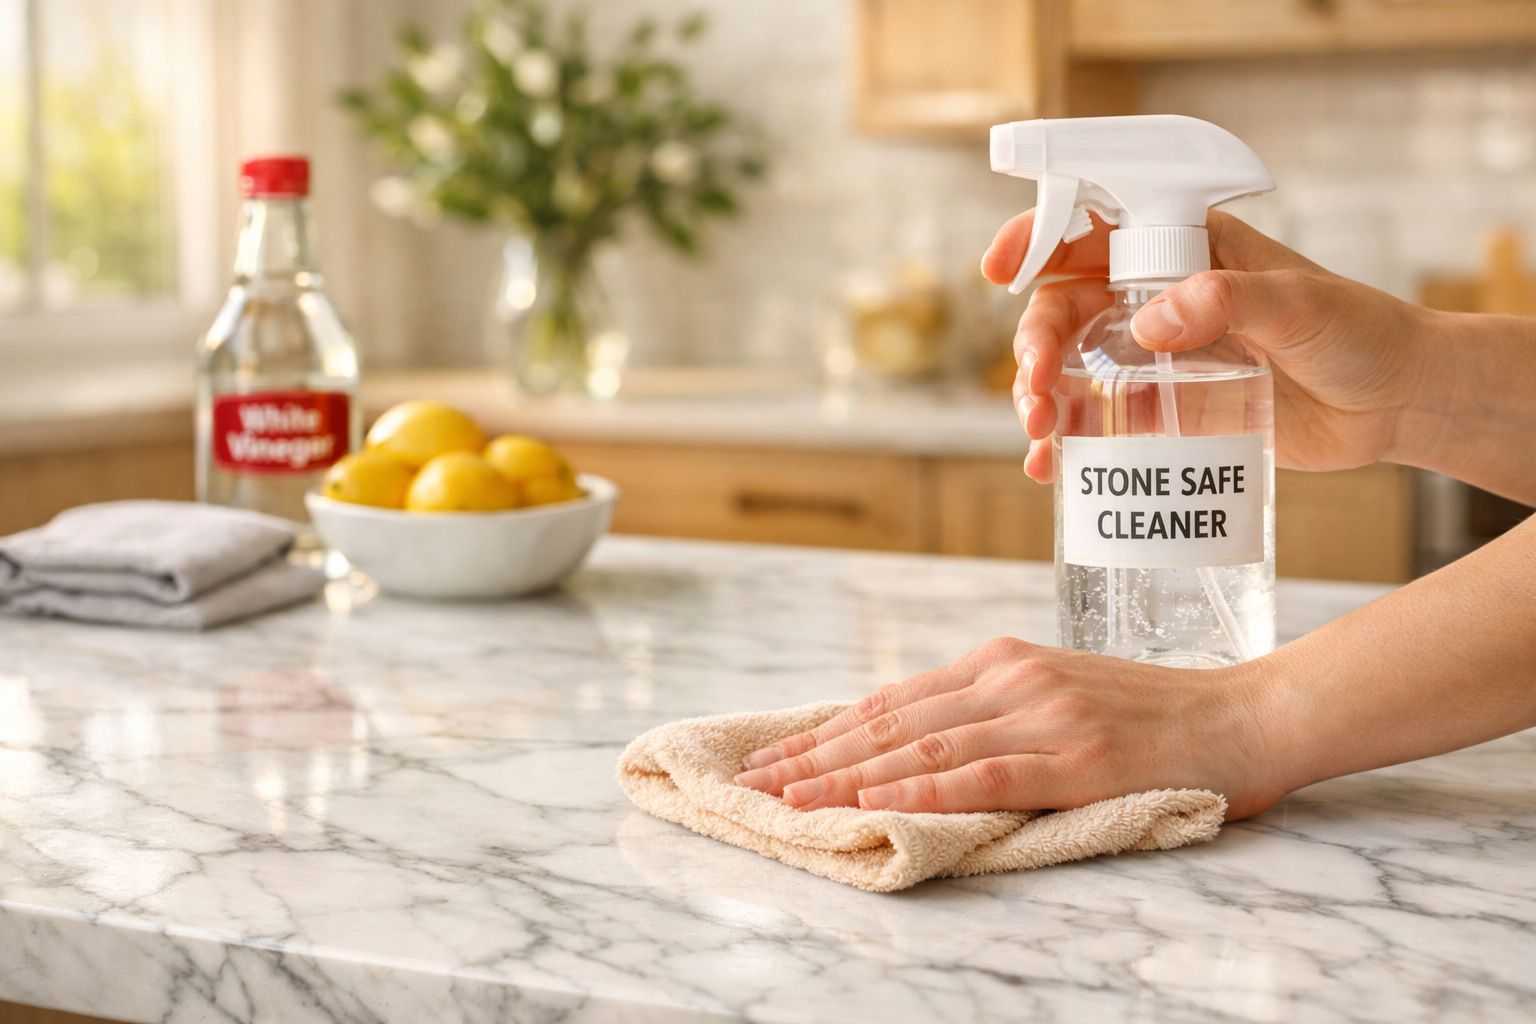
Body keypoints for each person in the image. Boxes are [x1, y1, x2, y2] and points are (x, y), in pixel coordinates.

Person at [735, 209, 1536, 819]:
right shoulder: (1117, 353)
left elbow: (1238, 711)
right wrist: (1408, 381)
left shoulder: (1231, 360)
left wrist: (1243, 716)